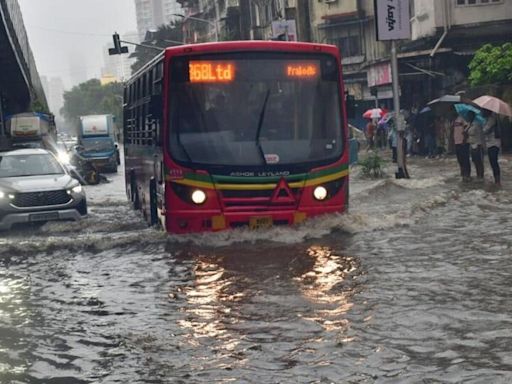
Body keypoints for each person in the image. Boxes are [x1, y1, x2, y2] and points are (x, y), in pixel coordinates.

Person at [482, 109, 501, 186]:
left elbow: (485, 130)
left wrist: (482, 128)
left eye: (483, 111)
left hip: (494, 143)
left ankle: (497, 181)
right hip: (490, 143)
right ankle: (496, 180)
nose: (482, 112)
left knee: (494, 161)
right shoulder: (488, 119)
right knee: (492, 161)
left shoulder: (492, 119)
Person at [464, 110, 485, 181]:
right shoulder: (469, 124)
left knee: (479, 161)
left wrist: (480, 145)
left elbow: (480, 135)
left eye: (469, 116)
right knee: (475, 161)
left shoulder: (477, 124)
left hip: (477, 144)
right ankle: (478, 175)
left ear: (472, 116)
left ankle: (481, 176)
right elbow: (465, 132)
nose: (467, 117)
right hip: (471, 144)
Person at [453, 114, 471, 182]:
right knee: (459, 159)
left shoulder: (462, 118)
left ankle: (467, 174)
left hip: (463, 142)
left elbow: (467, 128)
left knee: (465, 159)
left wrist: (465, 139)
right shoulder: (454, 120)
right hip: (457, 142)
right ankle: (463, 173)